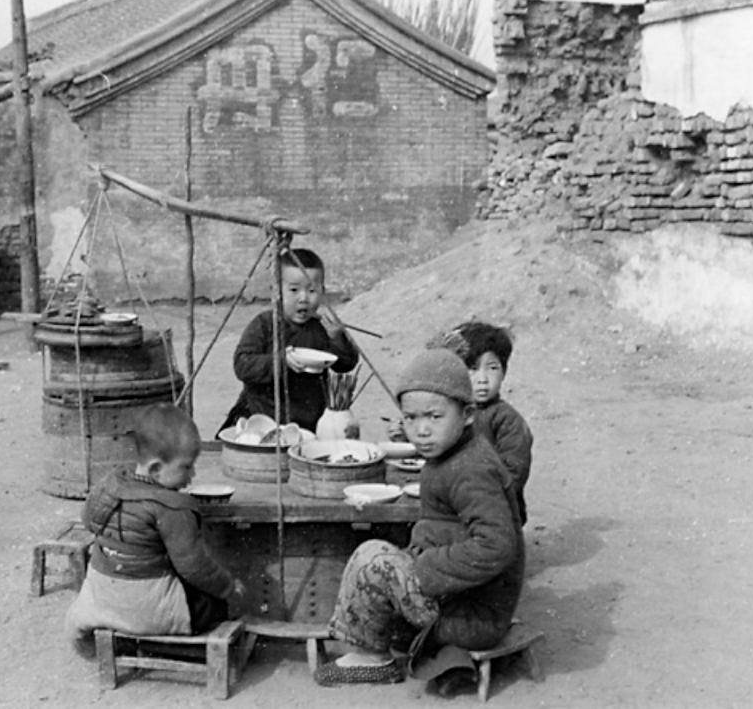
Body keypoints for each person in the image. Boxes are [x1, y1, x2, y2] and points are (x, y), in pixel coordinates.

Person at [314, 349, 524, 692]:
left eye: (434, 417)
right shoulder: (454, 454)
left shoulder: (472, 470)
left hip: (474, 614)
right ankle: (379, 645)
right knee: (381, 556)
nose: (421, 430)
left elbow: (497, 545)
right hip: (462, 598)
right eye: (411, 418)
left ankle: (372, 661)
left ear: (468, 414)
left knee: (374, 559)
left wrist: (424, 568)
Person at [65, 403, 244, 648]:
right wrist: (228, 586)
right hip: (147, 609)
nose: (192, 475)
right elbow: (194, 566)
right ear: (157, 469)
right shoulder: (172, 507)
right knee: (215, 604)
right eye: (186, 466)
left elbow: (88, 519)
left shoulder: (109, 485)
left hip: (102, 599)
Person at [388, 321, 534, 525]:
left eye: (492, 368)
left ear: (504, 372)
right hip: (451, 498)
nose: (483, 379)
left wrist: (467, 488)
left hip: (493, 509)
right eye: (472, 369)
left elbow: (513, 476)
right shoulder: (450, 412)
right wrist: (405, 435)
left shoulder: (508, 421)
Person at [220, 248, 360, 433]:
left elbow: (346, 365)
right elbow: (242, 364)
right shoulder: (265, 324)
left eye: (312, 290)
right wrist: (280, 360)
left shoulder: (321, 328)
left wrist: (338, 338)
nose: (303, 298)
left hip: (309, 421)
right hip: (261, 417)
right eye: (294, 290)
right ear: (277, 291)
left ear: (322, 291)